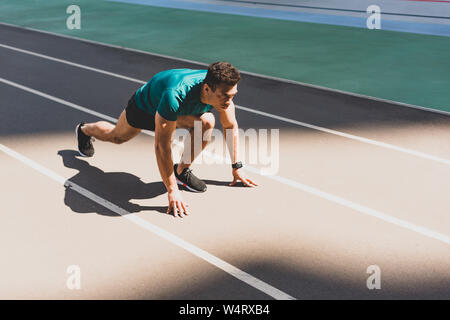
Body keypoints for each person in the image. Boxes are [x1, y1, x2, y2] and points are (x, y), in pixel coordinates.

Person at [75, 61, 257, 217]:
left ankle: (182, 171)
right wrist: (172, 191)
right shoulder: (174, 94)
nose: (229, 101)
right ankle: (84, 130)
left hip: (180, 111)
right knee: (116, 137)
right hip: (145, 108)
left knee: (207, 122)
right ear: (207, 88)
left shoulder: (222, 90)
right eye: (225, 96)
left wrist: (237, 167)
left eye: (233, 95)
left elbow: (229, 126)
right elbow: (162, 146)